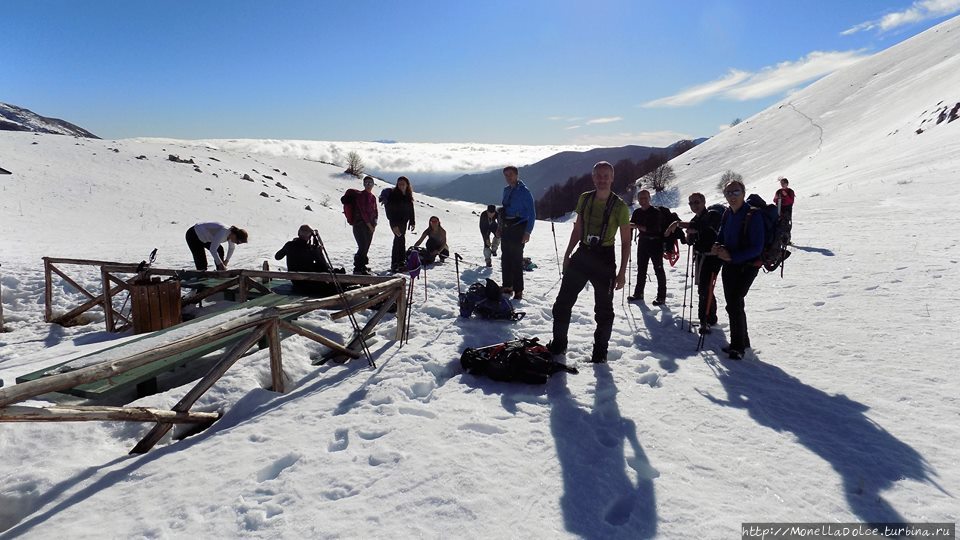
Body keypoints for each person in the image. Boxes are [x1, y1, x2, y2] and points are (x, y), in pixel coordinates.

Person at [548, 161, 631, 364]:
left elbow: (626, 241)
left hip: (605, 259)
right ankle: (559, 345)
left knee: (604, 310)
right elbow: (578, 229)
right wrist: (568, 254)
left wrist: (621, 273)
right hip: (582, 254)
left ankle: (600, 353)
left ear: (612, 178)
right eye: (598, 176)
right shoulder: (584, 199)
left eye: (606, 176)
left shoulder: (620, 207)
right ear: (593, 178)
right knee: (562, 304)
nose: (602, 179)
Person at [711, 180, 764, 360]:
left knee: (734, 303)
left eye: (736, 192)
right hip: (729, 264)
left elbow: (757, 247)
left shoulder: (753, 215)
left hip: (746, 266)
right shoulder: (727, 213)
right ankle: (742, 341)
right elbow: (721, 234)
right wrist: (718, 246)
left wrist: (732, 256)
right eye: (728, 193)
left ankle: (738, 347)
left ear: (743, 192)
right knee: (734, 303)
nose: (732, 196)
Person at [665, 193, 722, 332]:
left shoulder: (713, 215)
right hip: (701, 257)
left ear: (703, 201)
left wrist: (678, 224)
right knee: (706, 288)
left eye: (696, 202)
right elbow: (690, 242)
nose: (694, 206)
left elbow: (702, 226)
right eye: (691, 203)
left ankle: (704, 320)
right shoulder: (694, 219)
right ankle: (711, 317)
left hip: (712, 257)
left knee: (704, 289)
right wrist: (689, 235)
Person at [498, 165, 536, 300]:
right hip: (507, 227)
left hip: (519, 227)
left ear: (516, 175)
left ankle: (518, 289)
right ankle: (507, 286)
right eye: (506, 175)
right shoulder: (506, 190)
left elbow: (532, 213)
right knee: (506, 258)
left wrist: (528, 231)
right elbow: (505, 209)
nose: (508, 177)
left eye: (511, 174)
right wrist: (499, 227)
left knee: (516, 258)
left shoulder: (524, 192)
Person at [628, 190, 671, 305]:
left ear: (649, 198)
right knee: (641, 269)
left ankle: (661, 296)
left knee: (658, 269)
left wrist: (636, 226)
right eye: (641, 198)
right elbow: (631, 225)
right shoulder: (637, 212)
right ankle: (638, 293)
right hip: (643, 243)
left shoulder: (656, 212)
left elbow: (653, 229)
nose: (643, 200)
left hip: (655, 243)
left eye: (645, 198)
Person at [274, 225, 338, 295]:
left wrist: (288, 248)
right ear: (309, 236)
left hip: (295, 281)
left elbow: (277, 257)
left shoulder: (289, 245)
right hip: (308, 281)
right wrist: (319, 253)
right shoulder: (310, 249)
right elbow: (324, 267)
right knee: (334, 279)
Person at [384, 176, 416, 272]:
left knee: (401, 240)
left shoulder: (408, 195)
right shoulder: (394, 195)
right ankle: (395, 263)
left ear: (407, 185)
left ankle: (400, 262)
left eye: (403, 184)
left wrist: (412, 221)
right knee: (398, 240)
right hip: (395, 222)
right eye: (399, 184)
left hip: (404, 222)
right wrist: (393, 225)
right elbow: (389, 211)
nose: (401, 185)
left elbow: (411, 209)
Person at [351, 175, 378, 275]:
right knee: (362, 246)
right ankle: (358, 268)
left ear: (373, 184)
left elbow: (375, 211)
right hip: (360, 225)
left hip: (370, 226)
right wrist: (370, 225)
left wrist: (374, 224)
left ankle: (362, 266)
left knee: (366, 246)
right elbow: (363, 212)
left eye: (370, 183)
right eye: (366, 183)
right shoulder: (361, 196)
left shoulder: (373, 197)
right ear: (363, 184)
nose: (368, 184)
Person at [772, 177, 795, 243]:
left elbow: (791, 201)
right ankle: (778, 239)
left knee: (786, 225)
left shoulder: (790, 191)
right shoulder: (778, 191)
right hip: (779, 209)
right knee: (778, 224)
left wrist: (786, 195)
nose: (782, 184)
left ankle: (786, 240)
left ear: (787, 184)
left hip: (787, 210)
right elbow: (774, 200)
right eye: (781, 183)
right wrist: (776, 199)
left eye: (784, 183)